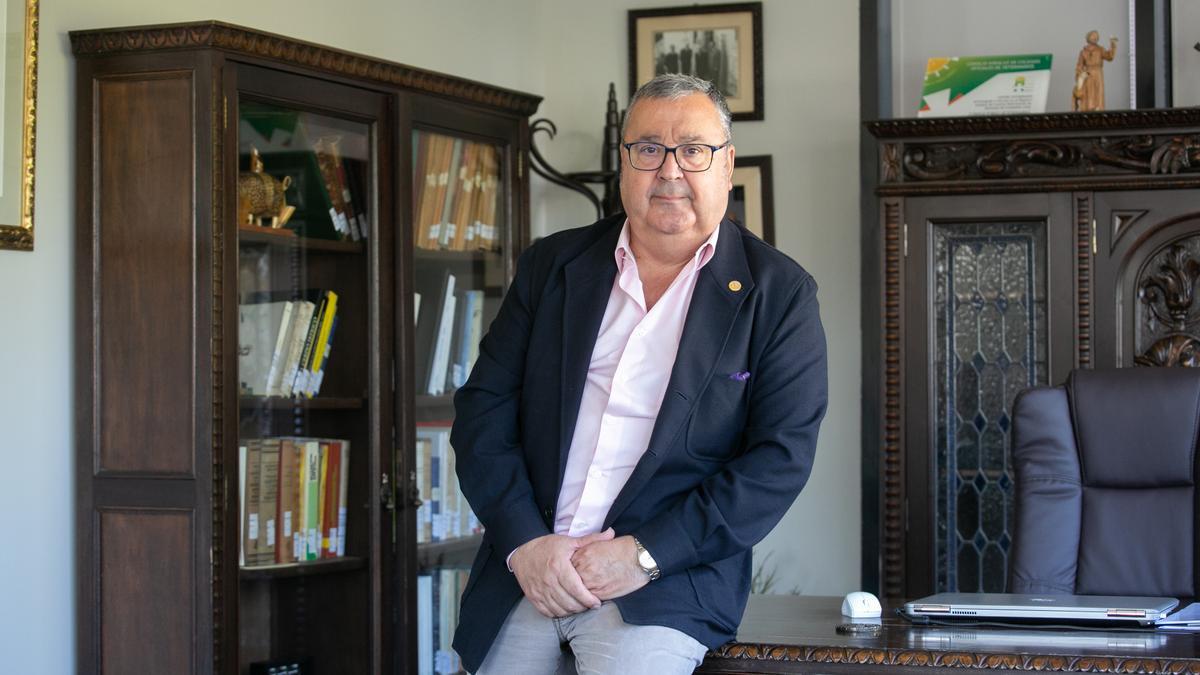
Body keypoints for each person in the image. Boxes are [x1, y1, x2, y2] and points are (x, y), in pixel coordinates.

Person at [450, 73, 828, 675]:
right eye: (648, 148)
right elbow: (483, 411)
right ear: (623, 163)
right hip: (534, 566)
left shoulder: (778, 294)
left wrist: (643, 556)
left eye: (694, 150)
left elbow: (778, 460)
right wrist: (525, 543)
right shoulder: (554, 265)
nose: (670, 170)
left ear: (726, 166)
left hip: (663, 583)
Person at [1073, 30, 1118, 111]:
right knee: (1088, 93)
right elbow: (1079, 66)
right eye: (1093, 36)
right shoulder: (1083, 52)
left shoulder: (1100, 49)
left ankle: (1099, 110)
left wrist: (1113, 44)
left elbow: (1109, 56)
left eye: (1097, 36)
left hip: (1098, 73)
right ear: (1088, 37)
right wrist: (1080, 77)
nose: (1095, 37)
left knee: (1098, 93)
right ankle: (1088, 111)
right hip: (1088, 74)